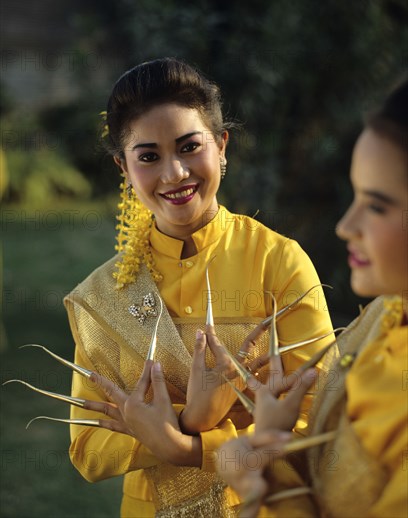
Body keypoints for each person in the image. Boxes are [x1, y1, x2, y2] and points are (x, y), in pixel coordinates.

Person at [64, 58, 333, 517]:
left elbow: (325, 419)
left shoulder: (277, 263)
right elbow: (88, 448)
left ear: (222, 145)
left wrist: (186, 445)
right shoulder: (104, 294)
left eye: (190, 147)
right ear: (123, 168)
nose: (174, 174)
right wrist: (192, 422)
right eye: (148, 157)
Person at [217, 79, 408, 517]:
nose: (346, 224)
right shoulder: (384, 314)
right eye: (354, 194)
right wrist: (272, 445)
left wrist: (259, 473)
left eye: (376, 206)